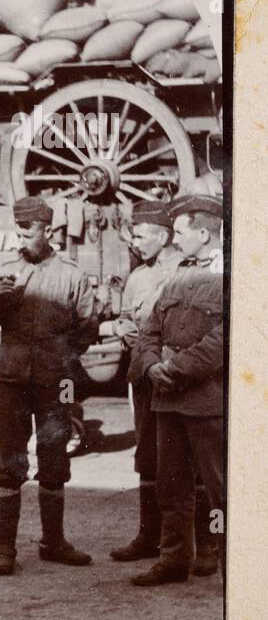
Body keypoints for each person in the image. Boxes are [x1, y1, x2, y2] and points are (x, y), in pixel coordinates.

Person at [0, 196, 98, 576]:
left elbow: (88, 327)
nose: (21, 238)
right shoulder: (3, 272)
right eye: (18, 231)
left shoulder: (72, 275)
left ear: (49, 231)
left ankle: (53, 543)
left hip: (57, 383)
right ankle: (5, 548)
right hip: (11, 381)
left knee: (55, 457)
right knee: (10, 461)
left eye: (27, 232)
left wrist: (60, 357)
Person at [128, 195, 224, 586]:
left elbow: (226, 338)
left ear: (204, 233)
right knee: (172, 487)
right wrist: (152, 365)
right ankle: (173, 562)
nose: (175, 240)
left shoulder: (233, 273)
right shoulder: (177, 273)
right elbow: (150, 327)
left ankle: (235, 575)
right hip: (167, 399)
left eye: (181, 232)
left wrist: (177, 368)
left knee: (221, 492)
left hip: (207, 402)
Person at [100, 200, 181, 561]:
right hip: (145, 380)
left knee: (186, 458)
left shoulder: (187, 271)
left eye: (142, 235)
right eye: (134, 234)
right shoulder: (137, 277)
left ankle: (195, 546)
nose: (136, 240)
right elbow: (129, 322)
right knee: (147, 455)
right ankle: (149, 537)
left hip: (180, 377)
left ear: (163, 236)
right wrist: (122, 329)